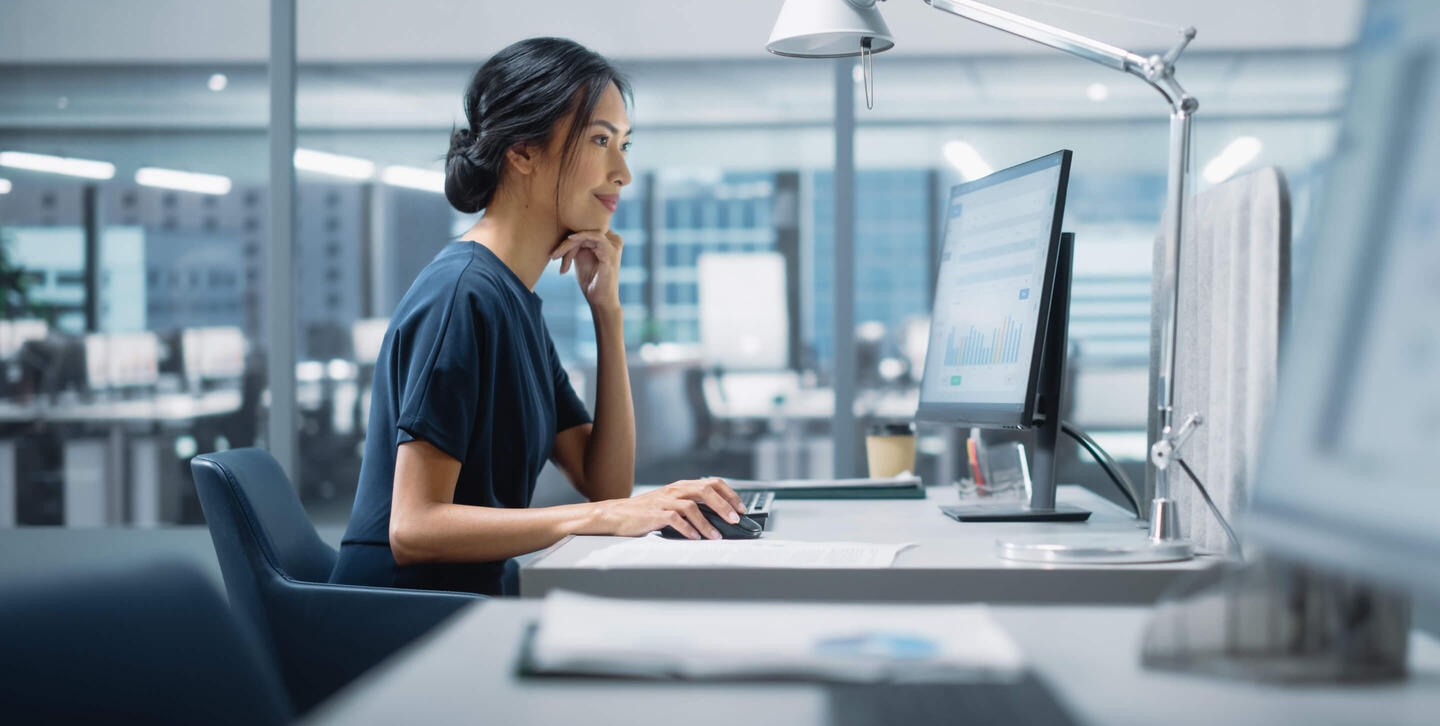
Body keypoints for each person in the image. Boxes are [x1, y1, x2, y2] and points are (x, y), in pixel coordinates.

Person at [331, 37, 746, 596]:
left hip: (471, 603)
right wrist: (596, 519)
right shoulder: (461, 296)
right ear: (523, 152)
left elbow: (605, 483)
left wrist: (608, 313)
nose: (622, 172)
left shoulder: (513, 301)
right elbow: (414, 526)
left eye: (623, 145)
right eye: (601, 140)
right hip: (402, 621)